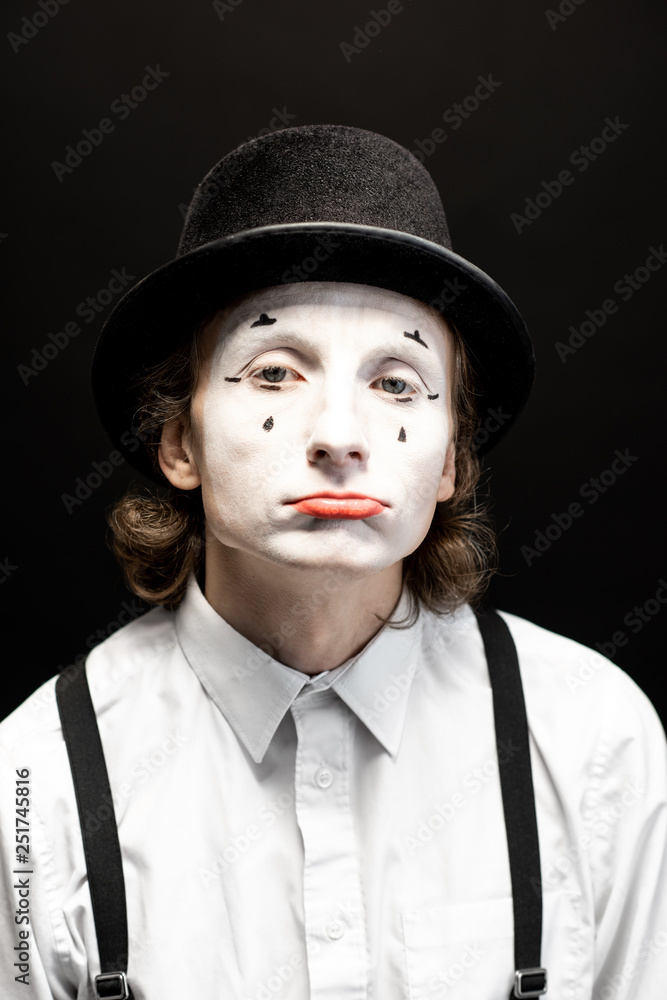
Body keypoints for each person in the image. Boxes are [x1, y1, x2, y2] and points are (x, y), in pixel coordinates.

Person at [1, 124, 665, 1000]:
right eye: (275, 372)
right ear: (178, 440)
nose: (340, 438)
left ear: (451, 462)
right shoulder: (32, 782)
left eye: (395, 382)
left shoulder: (594, 740)